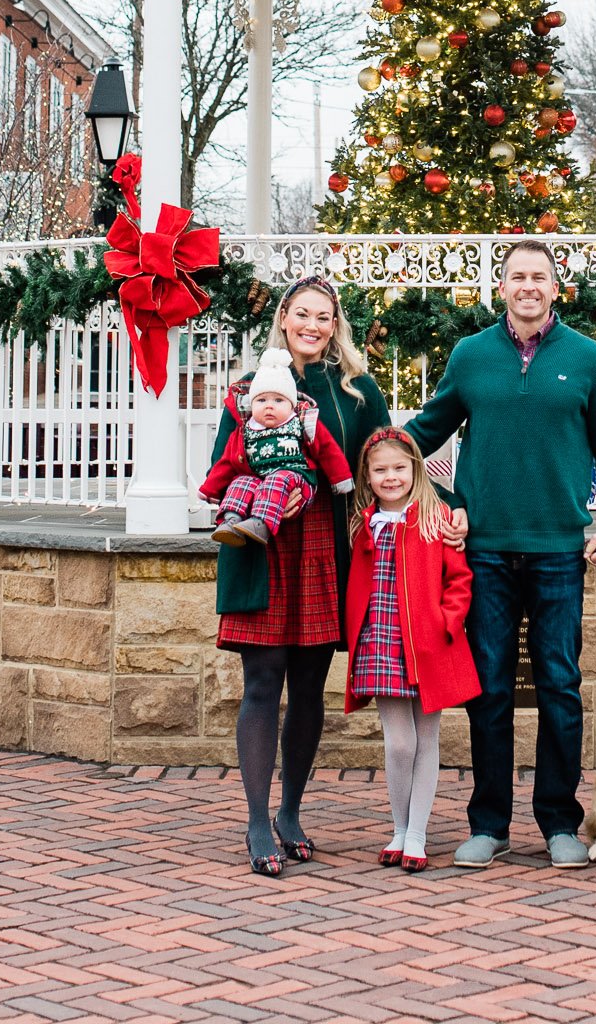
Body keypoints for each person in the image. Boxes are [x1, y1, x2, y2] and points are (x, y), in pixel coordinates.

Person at [404, 239, 596, 870]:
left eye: (540, 277)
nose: (528, 286)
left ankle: (560, 821)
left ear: (555, 288)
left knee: (560, 686)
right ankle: (490, 823)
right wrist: (448, 494)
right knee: (490, 690)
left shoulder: (586, 359)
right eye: (517, 277)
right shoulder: (472, 356)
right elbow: (425, 432)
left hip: (561, 550)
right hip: (486, 553)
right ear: (501, 287)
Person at [210, 277, 389, 877]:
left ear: (334, 325)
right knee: (262, 684)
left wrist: (448, 504)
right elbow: (220, 465)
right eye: (302, 314)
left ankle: (290, 812)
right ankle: (257, 820)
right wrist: (244, 497)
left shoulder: (355, 391)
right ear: (284, 318)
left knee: (310, 687)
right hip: (260, 547)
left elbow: (388, 457)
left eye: (324, 317)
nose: (312, 325)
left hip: (321, 547)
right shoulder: (248, 389)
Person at [344, 427, 480, 872]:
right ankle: (399, 827)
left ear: (415, 469)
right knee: (399, 743)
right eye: (380, 470)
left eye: (399, 468)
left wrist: (448, 621)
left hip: (428, 642)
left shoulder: (435, 516)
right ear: (367, 475)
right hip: (381, 640)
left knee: (427, 738)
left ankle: (417, 835)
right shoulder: (364, 523)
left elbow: (459, 580)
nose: (391, 477)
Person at [200, 347, 353, 544]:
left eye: (279, 400)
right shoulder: (245, 430)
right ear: (252, 404)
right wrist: (209, 490)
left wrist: (341, 479)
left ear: (291, 404)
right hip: (260, 481)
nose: (269, 406)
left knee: (278, 479)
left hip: (298, 480)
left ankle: (260, 523)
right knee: (242, 481)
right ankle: (231, 520)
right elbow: (226, 462)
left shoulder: (302, 421)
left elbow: (327, 450)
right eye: (261, 400)